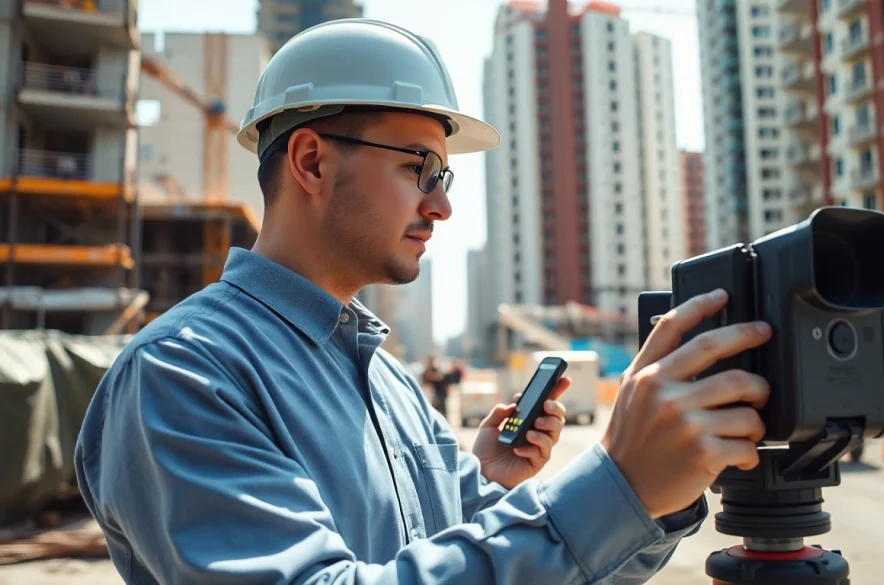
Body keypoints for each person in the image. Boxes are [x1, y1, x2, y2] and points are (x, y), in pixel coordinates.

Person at [74, 18, 773, 585]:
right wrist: (615, 482)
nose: (440, 204)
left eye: (445, 175)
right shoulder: (183, 373)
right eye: (419, 167)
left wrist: (656, 490)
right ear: (311, 161)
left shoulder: (389, 381)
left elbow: (557, 569)